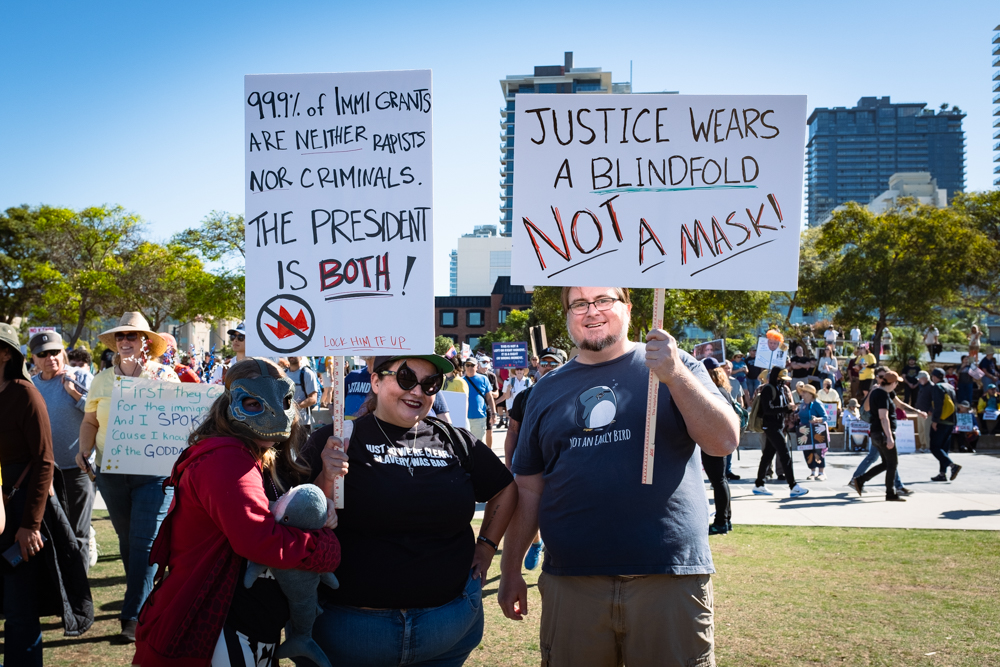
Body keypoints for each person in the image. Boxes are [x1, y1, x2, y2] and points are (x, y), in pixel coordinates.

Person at [499, 286, 739, 667]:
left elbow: (724, 440)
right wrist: (510, 567)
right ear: (567, 315)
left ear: (627, 308)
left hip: (668, 579)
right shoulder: (544, 391)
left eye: (603, 300)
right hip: (573, 584)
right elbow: (529, 488)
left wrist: (675, 375)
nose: (591, 311)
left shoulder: (677, 364)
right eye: (579, 303)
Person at [301, 354, 518, 666]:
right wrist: (325, 477)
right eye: (405, 378)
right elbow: (296, 513)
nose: (417, 391)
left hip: (446, 629)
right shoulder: (334, 439)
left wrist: (486, 546)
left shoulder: (454, 439)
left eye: (430, 384)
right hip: (351, 633)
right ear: (376, 381)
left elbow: (505, 488)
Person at [132, 358, 342, 666]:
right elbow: (258, 539)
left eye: (283, 402)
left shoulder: (263, 453)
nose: (272, 413)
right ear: (231, 404)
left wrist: (323, 490)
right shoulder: (227, 458)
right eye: (253, 403)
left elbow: (289, 514)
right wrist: (323, 547)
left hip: (251, 624)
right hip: (214, 625)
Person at [77, 312, 180, 642]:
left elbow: (180, 420)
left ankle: (133, 617)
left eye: (131, 336)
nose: (124, 341)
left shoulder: (164, 376)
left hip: (154, 474)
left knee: (144, 541)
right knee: (127, 540)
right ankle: (147, 598)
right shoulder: (101, 379)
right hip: (111, 472)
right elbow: (90, 421)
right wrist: (84, 449)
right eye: (120, 336)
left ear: (145, 342)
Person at [1, 323, 93, 665]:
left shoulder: (25, 394)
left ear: (5, 353)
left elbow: (43, 461)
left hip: (20, 509)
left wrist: (31, 525)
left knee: (19, 606)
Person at [29, 331, 98, 569]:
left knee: (79, 534)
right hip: (45, 473)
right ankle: (62, 587)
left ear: (63, 353)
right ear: (34, 358)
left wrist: (74, 393)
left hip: (78, 469)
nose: (50, 358)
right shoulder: (31, 386)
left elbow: (98, 415)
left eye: (55, 352)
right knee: (52, 533)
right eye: (43, 354)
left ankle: (80, 589)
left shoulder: (81, 377)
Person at [504, 346, 566, 571]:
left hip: (562, 464)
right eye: (545, 362)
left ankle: (557, 551)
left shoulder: (573, 392)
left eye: (554, 363)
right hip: (529, 464)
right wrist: (508, 464)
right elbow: (512, 431)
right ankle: (536, 542)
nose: (548, 367)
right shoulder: (524, 396)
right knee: (527, 509)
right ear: (537, 365)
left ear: (564, 365)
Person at [850, 371, 907, 501]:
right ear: (892, 383)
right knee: (892, 463)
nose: (897, 385)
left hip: (876, 433)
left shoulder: (877, 392)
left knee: (886, 463)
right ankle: (890, 493)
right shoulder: (882, 394)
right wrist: (889, 436)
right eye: (896, 383)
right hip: (882, 433)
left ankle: (860, 480)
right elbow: (883, 417)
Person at [754, 367, 809, 498]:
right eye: (781, 378)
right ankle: (793, 486)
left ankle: (759, 484)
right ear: (776, 377)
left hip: (778, 426)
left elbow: (781, 408)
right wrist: (786, 408)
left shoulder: (780, 389)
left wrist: (790, 409)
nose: (784, 381)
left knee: (767, 456)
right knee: (785, 455)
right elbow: (768, 410)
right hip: (771, 426)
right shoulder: (768, 389)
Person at [703, 358, 735, 535]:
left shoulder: (714, 392)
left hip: (714, 441)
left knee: (718, 481)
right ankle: (726, 520)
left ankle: (721, 521)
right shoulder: (724, 391)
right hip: (722, 440)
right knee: (721, 480)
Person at [928, 368, 960, 482]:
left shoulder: (938, 387)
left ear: (935, 377)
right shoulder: (950, 387)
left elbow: (938, 405)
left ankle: (952, 466)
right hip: (951, 421)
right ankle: (942, 474)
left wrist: (935, 421)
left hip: (941, 421)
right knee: (943, 448)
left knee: (934, 447)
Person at [795, 384, 829, 480]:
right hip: (805, 430)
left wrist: (816, 419)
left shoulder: (817, 403)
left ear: (810, 394)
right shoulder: (802, 403)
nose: (802, 393)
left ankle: (821, 473)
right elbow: (800, 414)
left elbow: (825, 417)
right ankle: (813, 472)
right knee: (807, 451)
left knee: (818, 451)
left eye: (804, 392)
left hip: (816, 430)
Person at [462, 358, 495, 440]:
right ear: (465, 367)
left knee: (477, 443)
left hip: (479, 417)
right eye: (467, 365)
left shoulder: (484, 379)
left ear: (477, 366)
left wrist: (494, 413)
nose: (470, 367)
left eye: (472, 365)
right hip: (464, 418)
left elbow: (490, 398)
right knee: (465, 443)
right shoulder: (461, 381)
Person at [287, 356, 319, 430]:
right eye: (290, 353)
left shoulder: (307, 373)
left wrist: (294, 407)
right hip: (286, 422)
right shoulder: (283, 374)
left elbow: (313, 399)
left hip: (302, 423)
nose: (292, 355)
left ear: (301, 357)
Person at [914, 371, 933, 451]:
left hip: (927, 413)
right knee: (921, 430)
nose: (918, 380)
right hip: (920, 412)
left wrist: (931, 410)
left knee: (927, 430)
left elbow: (934, 400)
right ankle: (923, 445)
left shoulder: (931, 387)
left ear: (925, 378)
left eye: (920, 378)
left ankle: (928, 446)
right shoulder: (922, 387)